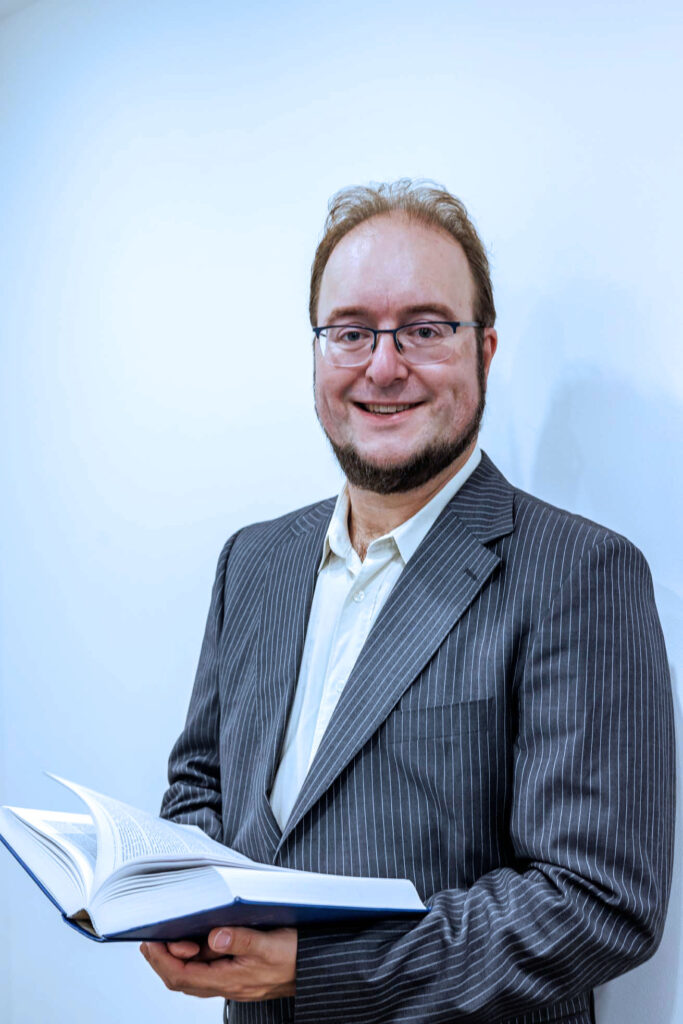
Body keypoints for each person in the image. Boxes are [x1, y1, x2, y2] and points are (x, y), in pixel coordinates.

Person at [140, 181, 675, 1024]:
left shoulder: (580, 574)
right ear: (317, 351)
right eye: (350, 332)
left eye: (424, 330)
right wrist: (170, 893)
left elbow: (597, 902)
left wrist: (311, 967)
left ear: (484, 351)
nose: (382, 366)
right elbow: (201, 784)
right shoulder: (254, 562)